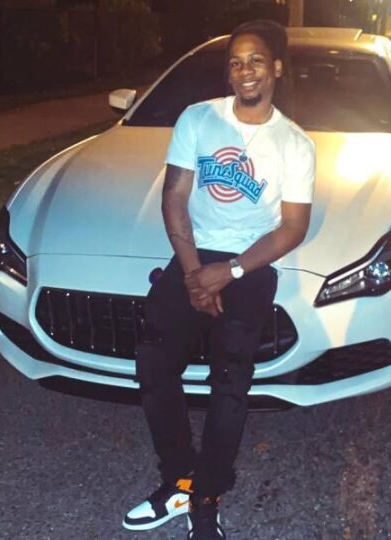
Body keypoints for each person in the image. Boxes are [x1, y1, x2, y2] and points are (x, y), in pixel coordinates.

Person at [123, 19, 315, 540]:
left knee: (229, 384)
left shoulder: (295, 144)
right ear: (228, 73)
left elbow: (292, 228)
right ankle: (179, 480)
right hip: (192, 258)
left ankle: (206, 497)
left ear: (276, 68)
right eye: (235, 62)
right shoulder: (198, 119)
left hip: (249, 265)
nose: (245, 70)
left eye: (256, 60)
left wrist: (227, 273)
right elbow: (174, 198)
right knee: (154, 365)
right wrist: (194, 276)